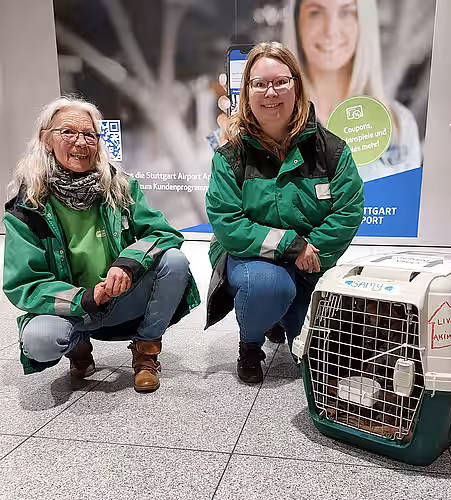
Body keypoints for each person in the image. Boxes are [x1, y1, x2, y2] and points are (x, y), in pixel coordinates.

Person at [3, 96, 200, 393]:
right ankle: (78, 347)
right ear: (46, 140)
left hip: (119, 300)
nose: (81, 142)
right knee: (39, 340)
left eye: (89, 135)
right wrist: (83, 299)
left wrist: (128, 264)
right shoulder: (27, 207)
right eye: (68, 132)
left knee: (174, 261)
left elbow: (162, 232)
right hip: (72, 308)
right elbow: (24, 284)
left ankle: (146, 353)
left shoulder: (120, 186)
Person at [205, 42, 364, 384]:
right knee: (268, 286)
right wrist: (292, 246)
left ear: (296, 85)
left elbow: (348, 211)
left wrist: (311, 253)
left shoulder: (332, 150)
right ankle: (250, 343)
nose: (270, 92)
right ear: (247, 91)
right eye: (260, 84)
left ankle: (281, 316)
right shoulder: (230, 156)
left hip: (311, 260)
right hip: (250, 258)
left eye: (280, 82)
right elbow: (228, 223)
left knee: (321, 363)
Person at [282, 0, 422, 182]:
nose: (330, 30)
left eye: (346, 12)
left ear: (364, 21)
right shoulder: (268, 125)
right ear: (296, 21)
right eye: (315, 12)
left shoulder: (400, 124)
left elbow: (408, 199)